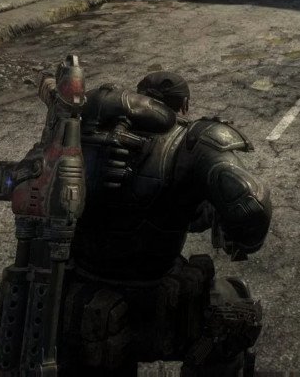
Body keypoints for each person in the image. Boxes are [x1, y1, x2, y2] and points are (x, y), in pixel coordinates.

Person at [58, 71, 272, 376]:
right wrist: (239, 239)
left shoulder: (78, 129)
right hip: (155, 299)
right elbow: (251, 208)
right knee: (234, 316)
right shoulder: (191, 142)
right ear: (183, 105)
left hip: (83, 295)